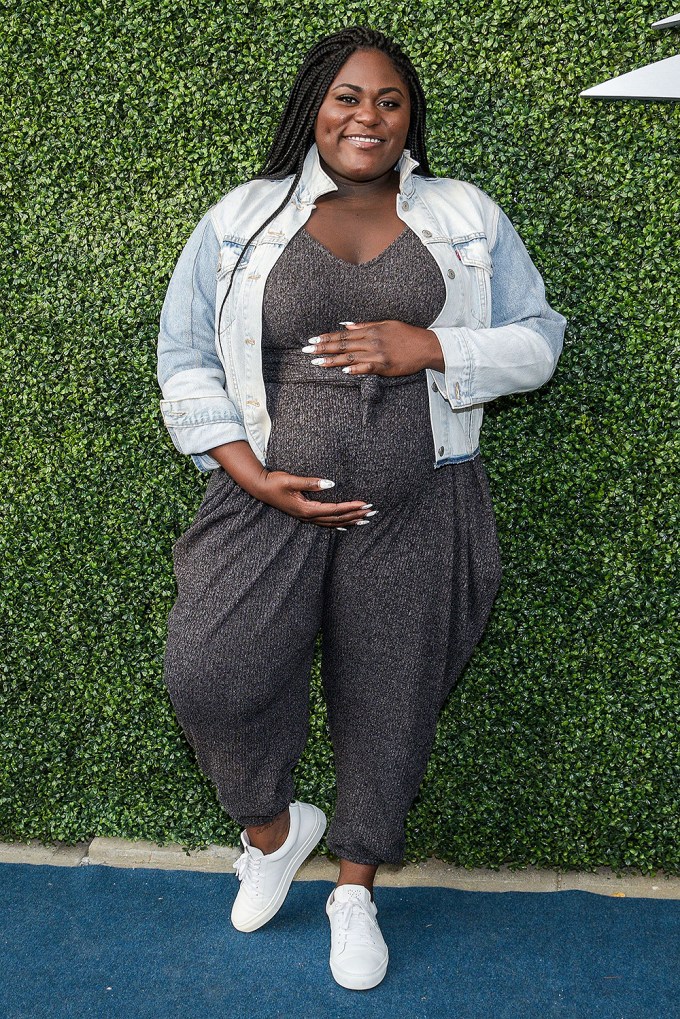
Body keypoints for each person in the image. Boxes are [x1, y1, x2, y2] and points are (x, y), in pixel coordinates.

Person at [157, 26, 566, 991]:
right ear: (314, 106)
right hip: (268, 502)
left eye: (387, 100)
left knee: (390, 703)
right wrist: (250, 473)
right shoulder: (243, 217)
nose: (366, 117)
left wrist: (431, 349)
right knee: (208, 672)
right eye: (347, 97)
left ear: (409, 115)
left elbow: (540, 337)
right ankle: (272, 829)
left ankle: (354, 887)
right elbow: (185, 356)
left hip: (422, 502)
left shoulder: (464, 215)